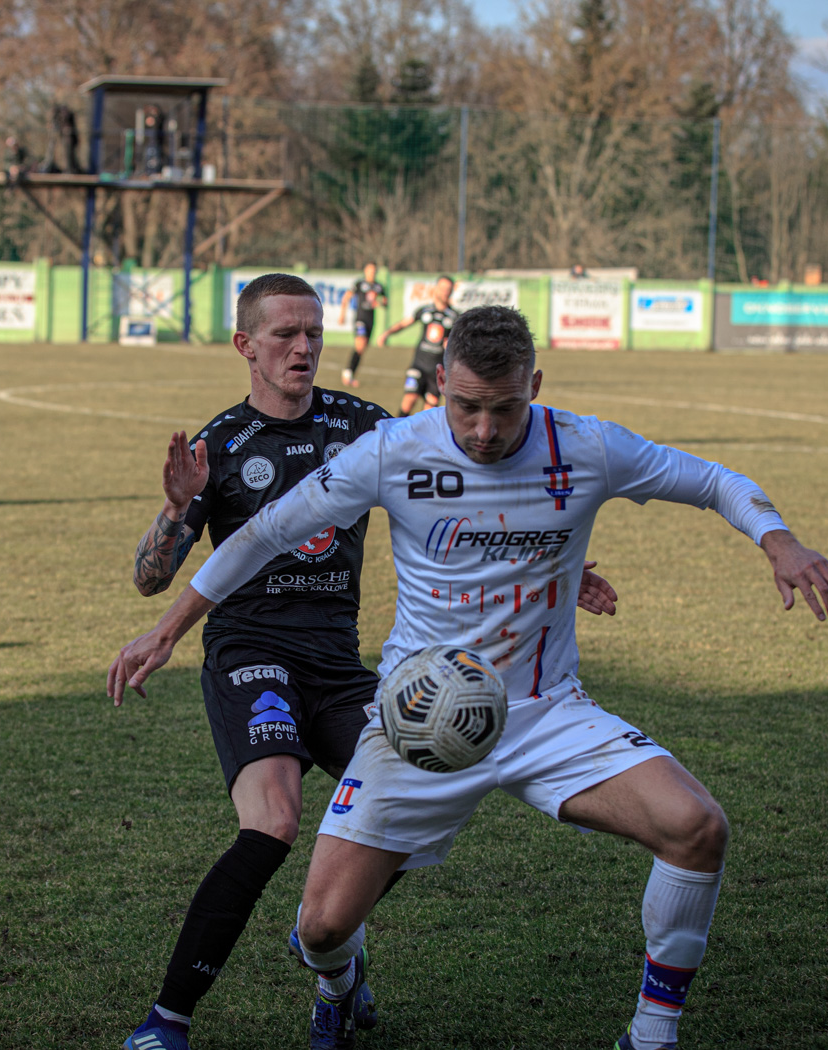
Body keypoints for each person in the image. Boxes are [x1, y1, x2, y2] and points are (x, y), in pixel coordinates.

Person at [108, 305, 828, 1050]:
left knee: (697, 827)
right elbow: (266, 532)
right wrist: (168, 630)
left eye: (504, 408)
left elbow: (715, 481)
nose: (485, 430)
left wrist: (779, 542)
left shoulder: (585, 446)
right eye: (466, 407)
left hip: (545, 711)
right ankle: (337, 980)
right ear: (439, 386)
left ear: (535, 386)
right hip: (417, 719)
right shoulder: (393, 450)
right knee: (322, 929)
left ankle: (652, 1035)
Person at [117, 279, 620, 1050]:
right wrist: (176, 510)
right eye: (284, 334)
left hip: (337, 660)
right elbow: (149, 578)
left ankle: (331, 966)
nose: (303, 347)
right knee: (274, 821)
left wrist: (557, 563)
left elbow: (461, 488)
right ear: (245, 346)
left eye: (313, 333)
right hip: (251, 651)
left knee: (415, 805)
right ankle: (167, 1021)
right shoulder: (220, 444)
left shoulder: (364, 425)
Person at [376, 275, 457, 417]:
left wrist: (451, 346)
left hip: (437, 371)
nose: (445, 292)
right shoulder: (425, 311)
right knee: (409, 400)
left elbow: (461, 342)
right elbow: (404, 323)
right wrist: (387, 333)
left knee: (429, 413)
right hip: (418, 366)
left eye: (448, 289)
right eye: (442, 288)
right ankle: (397, 428)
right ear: (436, 289)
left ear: (451, 292)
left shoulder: (454, 316)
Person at [337, 263, 388, 388]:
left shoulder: (378, 286)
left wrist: (379, 302)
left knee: (362, 348)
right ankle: (348, 373)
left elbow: (385, 301)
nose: (371, 273)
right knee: (360, 345)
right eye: (369, 271)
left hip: (371, 321)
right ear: (365, 271)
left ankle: (350, 374)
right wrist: (342, 314)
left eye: (373, 271)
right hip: (360, 319)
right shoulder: (359, 284)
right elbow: (346, 297)